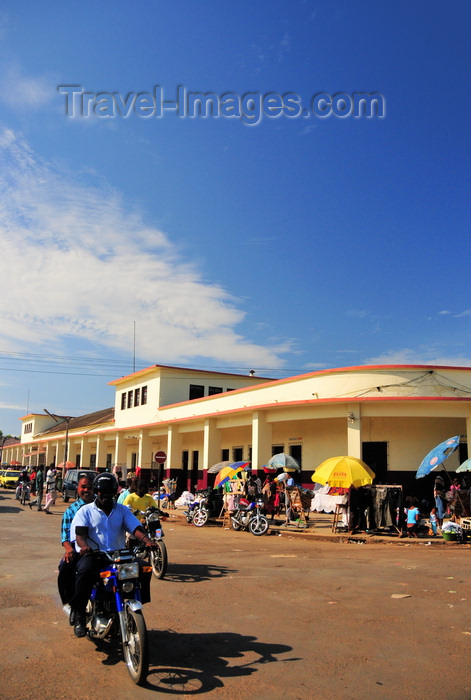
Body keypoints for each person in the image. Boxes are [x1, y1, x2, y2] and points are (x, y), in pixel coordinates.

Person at [69, 472, 156, 638]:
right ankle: (79, 613)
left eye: (108, 492)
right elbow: (79, 534)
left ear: (115, 492)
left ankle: (134, 603)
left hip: (119, 555)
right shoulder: (85, 511)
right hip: (94, 556)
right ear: (96, 492)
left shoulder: (122, 510)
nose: (104, 495)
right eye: (101, 492)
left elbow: (136, 528)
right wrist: (84, 547)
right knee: (84, 572)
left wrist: (147, 541)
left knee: (145, 568)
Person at [57, 475, 94, 614]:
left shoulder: (101, 504)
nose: (86, 490)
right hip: (78, 550)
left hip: (101, 549)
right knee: (65, 567)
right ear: (77, 489)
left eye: (89, 487)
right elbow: (65, 536)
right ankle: (73, 606)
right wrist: (68, 549)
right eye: (83, 487)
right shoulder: (71, 510)